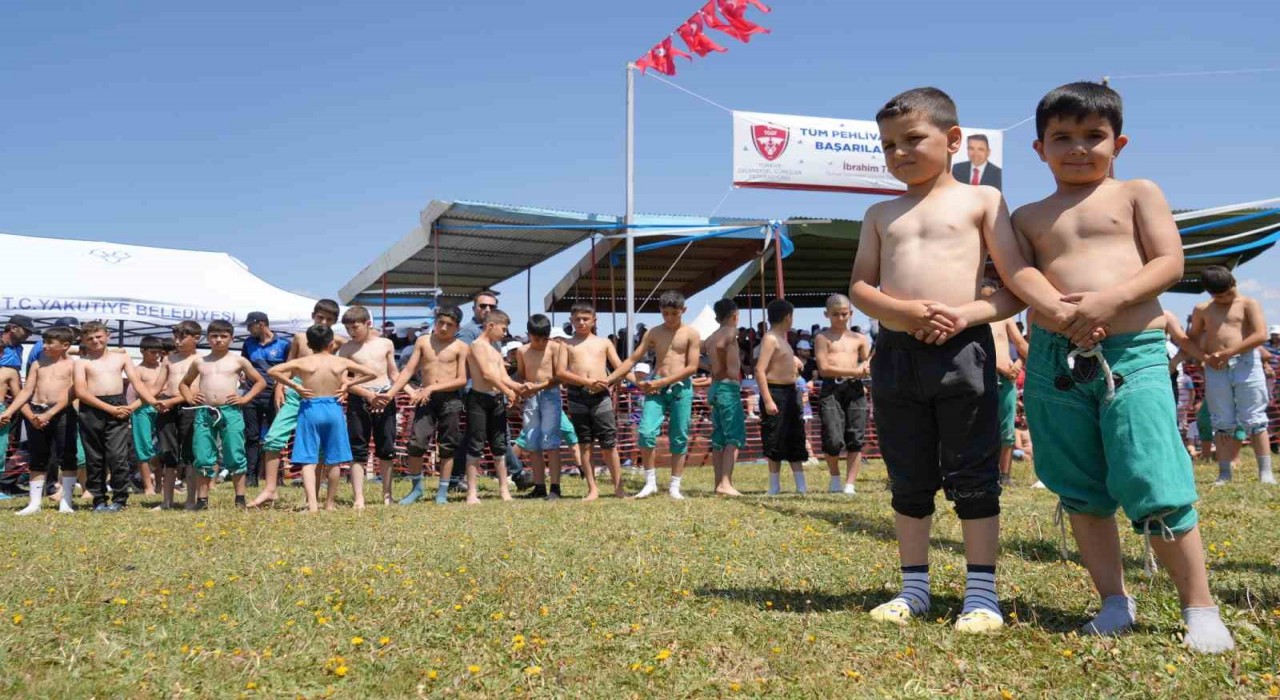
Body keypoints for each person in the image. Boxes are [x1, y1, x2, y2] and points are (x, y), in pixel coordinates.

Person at [995, 82, 1233, 652]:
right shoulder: (1026, 215)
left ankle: (1199, 606)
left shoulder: (1136, 193)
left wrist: (1109, 301)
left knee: (1153, 474)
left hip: (1134, 353)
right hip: (1056, 361)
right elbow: (1018, 273)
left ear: (1118, 142)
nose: (1078, 148)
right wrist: (1053, 308)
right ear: (1039, 148)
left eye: (1093, 137)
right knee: (1079, 484)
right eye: (1063, 138)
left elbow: (1169, 261)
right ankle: (1113, 600)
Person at [850, 87, 1024, 634]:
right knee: (908, 473)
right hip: (897, 355)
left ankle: (981, 593)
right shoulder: (880, 212)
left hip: (964, 351)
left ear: (952, 141)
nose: (899, 152)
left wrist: (966, 314)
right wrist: (901, 310)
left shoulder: (983, 202)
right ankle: (914, 588)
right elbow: (859, 286)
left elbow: (1013, 286)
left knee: (973, 471)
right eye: (888, 144)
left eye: (912, 139)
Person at [268, 324, 377, 512]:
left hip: (310, 408)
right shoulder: (340, 362)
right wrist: (349, 384)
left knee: (308, 460)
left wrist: (295, 387)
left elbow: (273, 371)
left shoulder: (304, 362)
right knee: (333, 459)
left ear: (309, 344)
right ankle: (330, 503)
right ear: (332, 343)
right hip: (333, 409)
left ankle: (312, 505)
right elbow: (372, 373)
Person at [606, 291, 701, 500]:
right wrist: (609, 379)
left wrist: (662, 381)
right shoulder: (653, 332)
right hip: (656, 387)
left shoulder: (691, 333)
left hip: (680, 387)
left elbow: (692, 367)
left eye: (673, 314)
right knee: (646, 432)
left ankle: (675, 485)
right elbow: (632, 359)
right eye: (665, 313)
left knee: (679, 435)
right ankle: (650, 483)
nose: (668, 318)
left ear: (683, 311)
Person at [1185, 266, 1273, 485]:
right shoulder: (1202, 309)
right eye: (1218, 295)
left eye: (1228, 293)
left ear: (1234, 284)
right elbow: (1191, 338)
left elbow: (1261, 335)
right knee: (1221, 420)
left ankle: (1265, 472)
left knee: (1255, 418)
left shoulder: (1248, 304)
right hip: (1216, 367)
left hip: (1246, 363)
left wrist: (1228, 352)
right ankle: (1224, 473)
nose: (1224, 298)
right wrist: (1205, 358)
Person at [248, 299, 341, 508]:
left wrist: (344, 387)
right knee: (273, 438)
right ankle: (270, 489)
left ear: (335, 321)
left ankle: (313, 498)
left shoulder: (337, 342)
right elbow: (288, 364)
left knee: (317, 448)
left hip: (321, 392)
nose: (324, 321)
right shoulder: (300, 338)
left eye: (329, 319)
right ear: (313, 316)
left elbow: (346, 364)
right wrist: (280, 387)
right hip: (295, 389)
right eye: (320, 317)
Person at [384, 305, 469, 505]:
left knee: (447, 447)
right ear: (435, 322)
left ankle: (442, 492)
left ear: (457, 327)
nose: (444, 328)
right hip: (426, 399)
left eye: (450, 325)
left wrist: (431, 388)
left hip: (450, 400)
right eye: (441, 323)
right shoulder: (423, 341)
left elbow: (462, 379)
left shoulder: (461, 347)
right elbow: (408, 370)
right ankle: (416, 489)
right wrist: (391, 392)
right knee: (416, 444)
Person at [179, 319, 267, 510]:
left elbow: (260, 381)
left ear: (231, 338)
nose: (218, 340)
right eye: (214, 336)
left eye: (223, 336)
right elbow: (184, 383)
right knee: (202, 456)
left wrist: (244, 399)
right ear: (207, 338)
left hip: (230, 411)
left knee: (235, 454)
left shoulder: (238, 360)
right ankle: (202, 501)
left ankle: (240, 499)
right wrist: (190, 398)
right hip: (204, 412)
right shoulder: (200, 361)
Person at [74, 321, 159, 512]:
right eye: (90, 338)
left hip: (117, 406)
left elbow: (138, 385)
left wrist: (147, 403)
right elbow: (81, 392)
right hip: (92, 408)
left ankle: (120, 498)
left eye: (98, 336)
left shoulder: (121, 358)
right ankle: (99, 499)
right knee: (94, 457)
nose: (95, 341)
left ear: (107, 336)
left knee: (117, 455)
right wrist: (109, 409)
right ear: (84, 341)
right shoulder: (81, 363)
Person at [556, 302, 629, 499]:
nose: (581, 322)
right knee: (584, 443)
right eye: (577, 319)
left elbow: (620, 367)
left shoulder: (604, 342)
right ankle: (592, 488)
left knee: (609, 443)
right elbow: (561, 372)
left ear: (594, 320)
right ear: (571, 320)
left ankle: (619, 488)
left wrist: (609, 380)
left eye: (585, 319)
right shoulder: (566, 344)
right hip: (577, 396)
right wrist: (586, 381)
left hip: (601, 396)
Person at [2, 326, 78, 514]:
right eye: (44, 342)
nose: (44, 346)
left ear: (65, 345)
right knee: (38, 457)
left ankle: (66, 501)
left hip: (62, 412)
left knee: (67, 456)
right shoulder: (38, 363)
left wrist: (50, 414)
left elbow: (73, 393)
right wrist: (10, 411)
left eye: (50, 343)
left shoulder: (73, 365)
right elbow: (26, 391)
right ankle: (34, 503)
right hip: (36, 411)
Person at [337, 306, 400, 505]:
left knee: (386, 447)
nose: (351, 332)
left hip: (384, 397)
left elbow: (394, 374)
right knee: (358, 448)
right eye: (348, 329)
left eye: (355, 327)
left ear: (367, 323)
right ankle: (358, 497)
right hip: (359, 398)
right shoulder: (346, 349)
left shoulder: (386, 344)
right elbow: (342, 379)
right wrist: (367, 394)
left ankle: (387, 495)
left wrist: (403, 392)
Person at [462, 309, 522, 504]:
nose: (505, 333)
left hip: (496, 400)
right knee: (475, 445)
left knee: (499, 445)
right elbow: (487, 374)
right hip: (478, 399)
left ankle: (504, 490)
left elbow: (503, 376)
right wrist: (508, 390)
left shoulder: (495, 348)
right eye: (503, 329)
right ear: (490, 326)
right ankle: (472, 492)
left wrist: (519, 387)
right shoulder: (477, 345)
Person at [814, 294, 872, 495]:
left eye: (844, 314)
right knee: (832, 438)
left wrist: (867, 366)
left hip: (855, 389)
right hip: (832, 388)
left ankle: (850, 484)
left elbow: (868, 363)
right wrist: (854, 371)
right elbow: (823, 368)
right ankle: (835, 478)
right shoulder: (822, 338)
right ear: (826, 314)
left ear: (851, 314)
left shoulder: (860, 339)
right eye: (835, 314)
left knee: (856, 437)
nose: (840, 318)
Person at [756, 299, 810, 494]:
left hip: (790, 392)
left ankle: (801, 486)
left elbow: (780, 358)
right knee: (774, 438)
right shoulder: (770, 338)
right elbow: (759, 370)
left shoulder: (783, 339)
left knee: (796, 437)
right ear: (788, 317)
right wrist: (768, 399)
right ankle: (774, 487)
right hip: (775, 391)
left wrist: (793, 359)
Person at [514, 315, 566, 500]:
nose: (541, 342)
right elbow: (521, 374)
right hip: (530, 396)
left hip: (550, 395)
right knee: (532, 441)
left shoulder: (555, 348)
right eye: (537, 339)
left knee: (550, 440)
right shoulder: (521, 351)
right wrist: (514, 389)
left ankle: (555, 487)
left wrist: (538, 386)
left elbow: (560, 376)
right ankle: (539, 486)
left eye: (545, 338)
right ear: (529, 334)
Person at [239, 311, 292, 489]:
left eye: (250, 325)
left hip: (275, 395)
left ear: (261, 324)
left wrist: (281, 387)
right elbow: (243, 364)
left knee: (276, 436)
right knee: (251, 436)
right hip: (252, 394)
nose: (248, 329)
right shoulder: (248, 343)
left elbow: (288, 369)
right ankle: (251, 476)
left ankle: (277, 476)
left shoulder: (284, 344)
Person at [981, 285, 1027, 488]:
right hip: (982, 378)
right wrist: (999, 366)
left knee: (1007, 429)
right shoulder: (975, 320)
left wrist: (1020, 363)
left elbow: (1020, 343)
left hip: (1007, 379)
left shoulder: (1005, 318)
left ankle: (1005, 475)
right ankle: (983, 473)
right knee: (981, 428)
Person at [154, 322, 202, 510]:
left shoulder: (201, 359)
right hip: (166, 407)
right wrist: (154, 401)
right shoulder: (169, 359)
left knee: (190, 454)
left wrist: (171, 401)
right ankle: (166, 501)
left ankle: (190, 500)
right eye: (175, 337)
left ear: (196, 338)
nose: (177, 341)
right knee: (168, 454)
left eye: (182, 337)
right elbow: (157, 386)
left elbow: (196, 390)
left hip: (190, 407)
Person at [702, 299, 746, 497]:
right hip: (728, 387)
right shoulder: (730, 331)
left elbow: (696, 355)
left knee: (719, 438)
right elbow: (721, 346)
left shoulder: (711, 336)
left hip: (715, 388)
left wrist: (712, 368)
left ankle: (718, 483)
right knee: (734, 437)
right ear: (735, 316)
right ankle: (726, 483)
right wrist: (721, 369)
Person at [129, 336, 167, 496]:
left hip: (161, 409)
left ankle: (160, 484)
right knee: (143, 449)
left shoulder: (163, 367)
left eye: (159, 352)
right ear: (142, 351)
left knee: (162, 449)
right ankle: (148, 486)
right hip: (142, 410)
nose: (156, 355)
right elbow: (139, 391)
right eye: (152, 352)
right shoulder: (137, 370)